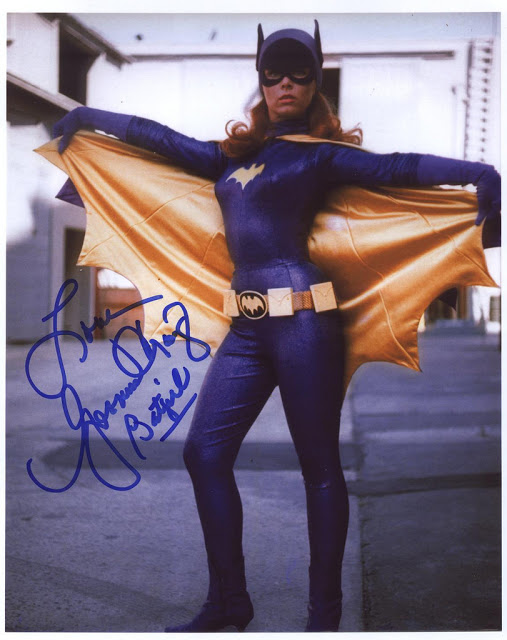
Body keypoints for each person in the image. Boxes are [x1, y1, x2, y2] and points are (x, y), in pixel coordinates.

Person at [52, 21, 500, 633]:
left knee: (319, 468)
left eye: (299, 72)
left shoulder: (320, 156)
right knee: (204, 454)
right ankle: (229, 605)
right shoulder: (229, 158)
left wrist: (479, 171)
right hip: (247, 327)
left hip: (306, 322)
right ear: (260, 81)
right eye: (273, 72)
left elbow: (396, 166)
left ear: (315, 83)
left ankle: (323, 620)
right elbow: (161, 139)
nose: (285, 83)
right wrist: (89, 116)